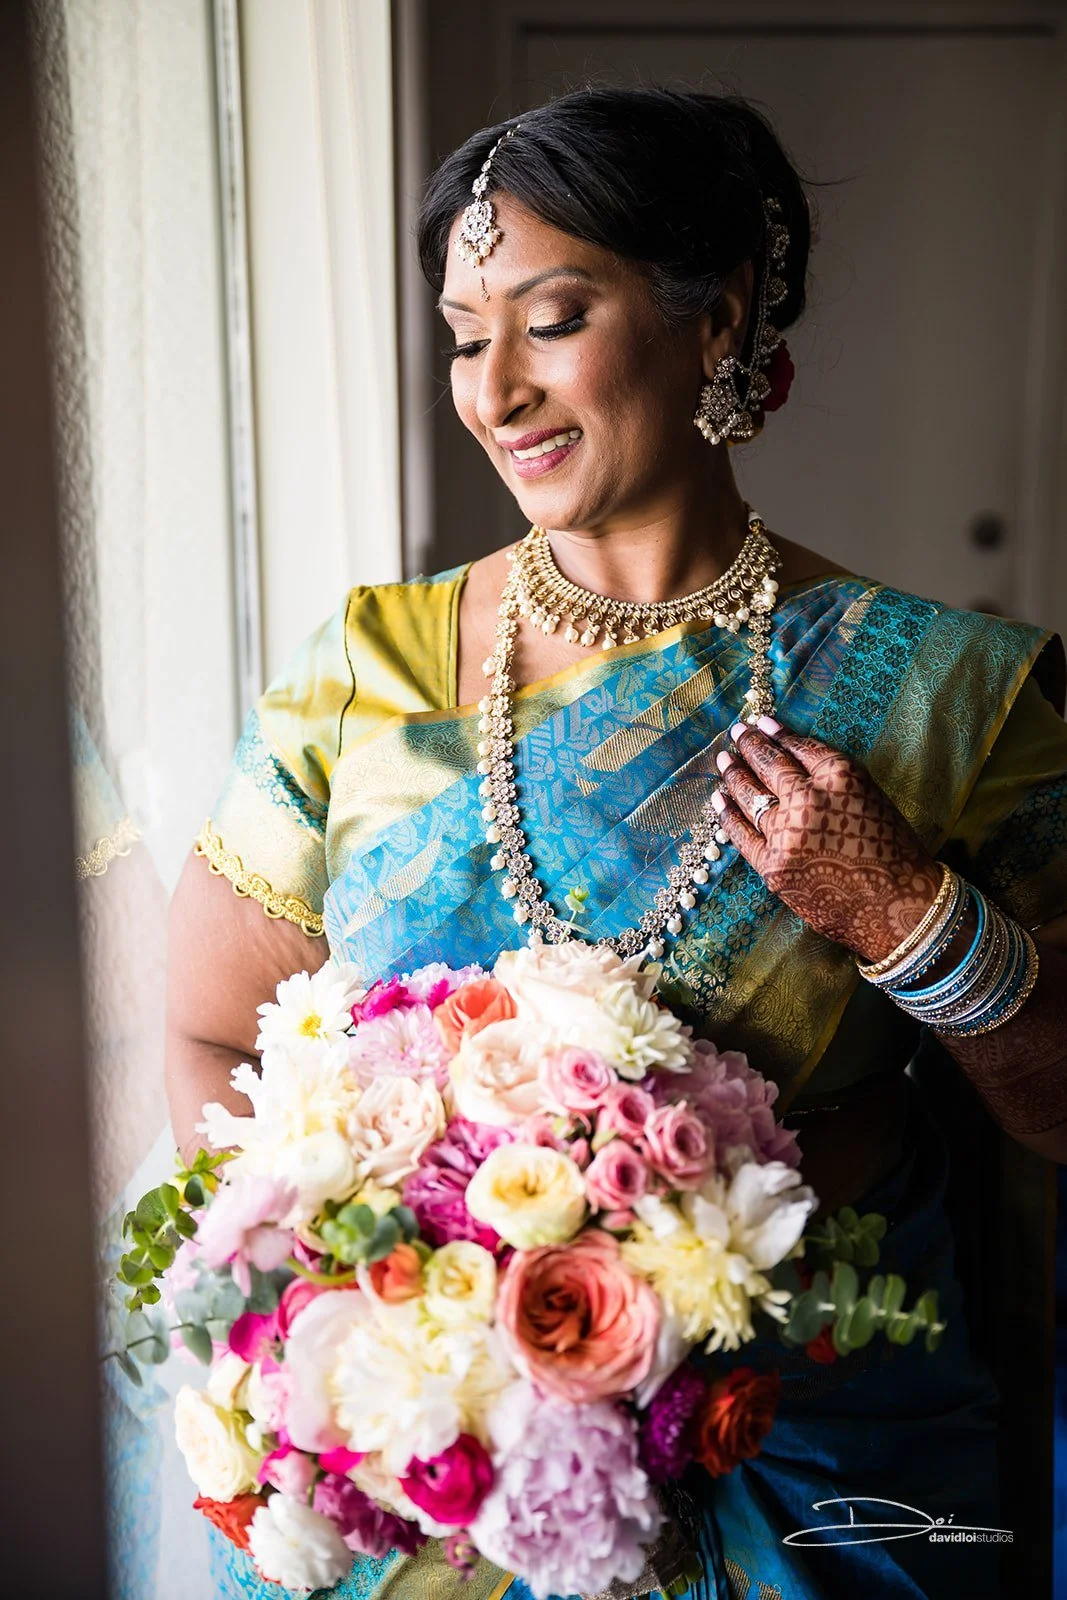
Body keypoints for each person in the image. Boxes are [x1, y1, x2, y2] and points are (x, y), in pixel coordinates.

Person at [166, 86, 1067, 1600]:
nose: (495, 390)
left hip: (813, 1474)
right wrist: (358, 1327)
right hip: (432, 1495)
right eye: (465, 335)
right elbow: (205, 1032)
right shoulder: (361, 672)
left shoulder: (946, 697)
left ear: (712, 320)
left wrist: (912, 920)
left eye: (551, 317)